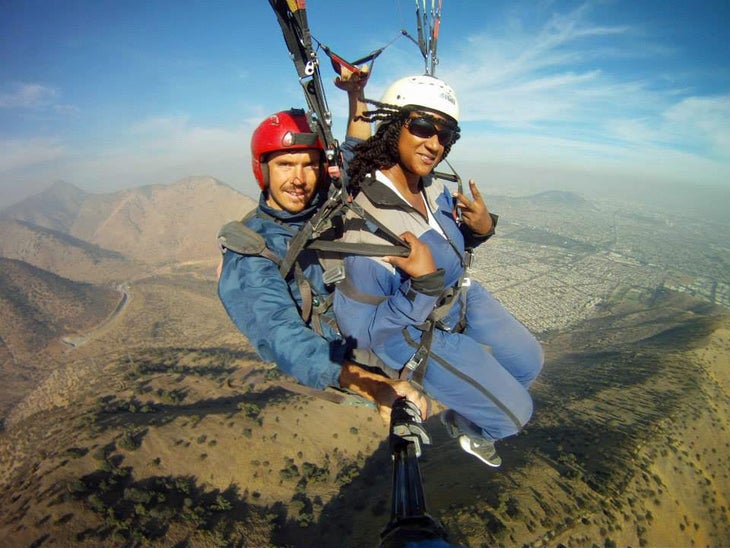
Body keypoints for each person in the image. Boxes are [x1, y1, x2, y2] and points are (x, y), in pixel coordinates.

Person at [333, 74, 544, 467]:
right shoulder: (369, 223)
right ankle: (467, 427)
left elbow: (445, 249)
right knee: (514, 416)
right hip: (414, 334)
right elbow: (361, 332)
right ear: (395, 125)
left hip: (456, 298)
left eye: (445, 133)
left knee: (530, 363)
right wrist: (422, 287)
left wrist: (479, 231)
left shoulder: (430, 184)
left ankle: (475, 406)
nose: (435, 143)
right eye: (423, 126)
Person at [217, 77, 427, 425]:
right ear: (263, 170)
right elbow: (286, 340)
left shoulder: (321, 194)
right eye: (285, 165)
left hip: (377, 310)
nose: (299, 178)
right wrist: (376, 388)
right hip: (351, 353)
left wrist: (356, 93)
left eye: (309, 164)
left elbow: (355, 147)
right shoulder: (252, 250)